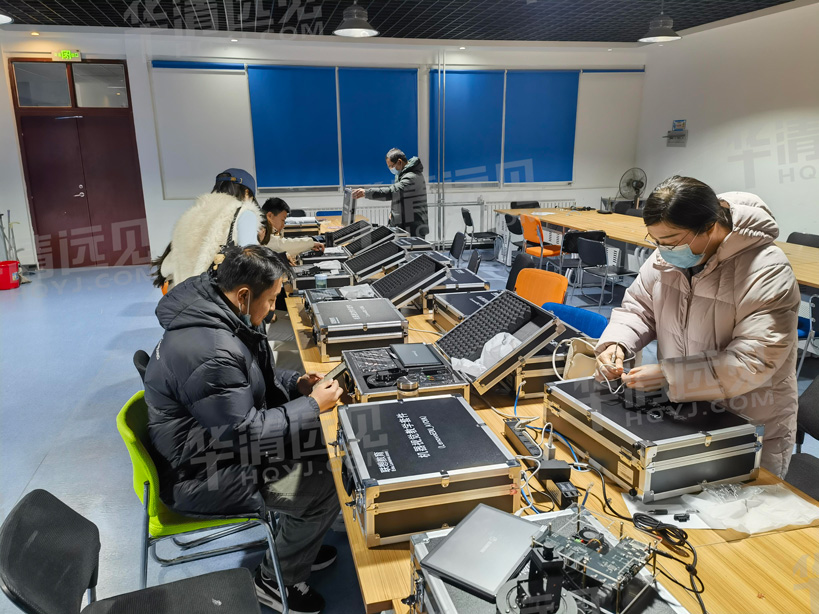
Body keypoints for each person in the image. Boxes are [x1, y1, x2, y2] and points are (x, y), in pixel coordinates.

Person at [143, 245, 343, 613]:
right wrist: (313, 405)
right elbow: (243, 433)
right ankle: (274, 581)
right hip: (204, 473)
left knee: (324, 446)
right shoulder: (211, 349)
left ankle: (299, 543)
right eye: (271, 299)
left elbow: (249, 381)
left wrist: (297, 383)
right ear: (244, 295)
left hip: (214, 450)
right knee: (327, 485)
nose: (272, 309)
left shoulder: (216, 314)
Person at [595, 176, 800, 478]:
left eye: (671, 241)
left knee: (737, 501)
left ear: (711, 226)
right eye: (656, 241)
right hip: (685, 408)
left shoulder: (767, 270)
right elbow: (639, 307)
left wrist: (669, 375)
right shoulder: (667, 255)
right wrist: (617, 343)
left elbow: (753, 360)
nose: (663, 250)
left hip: (747, 416)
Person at [151, 168, 263, 290]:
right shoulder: (243, 213)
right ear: (246, 192)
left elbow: (172, 261)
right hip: (218, 293)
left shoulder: (192, 213)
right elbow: (251, 262)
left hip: (186, 293)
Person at [352, 148, 429, 238]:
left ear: (399, 162)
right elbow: (400, 198)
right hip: (403, 225)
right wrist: (393, 213)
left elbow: (392, 192)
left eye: (391, 166)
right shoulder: (401, 175)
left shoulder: (411, 177)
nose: (391, 169)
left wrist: (366, 193)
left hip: (412, 229)